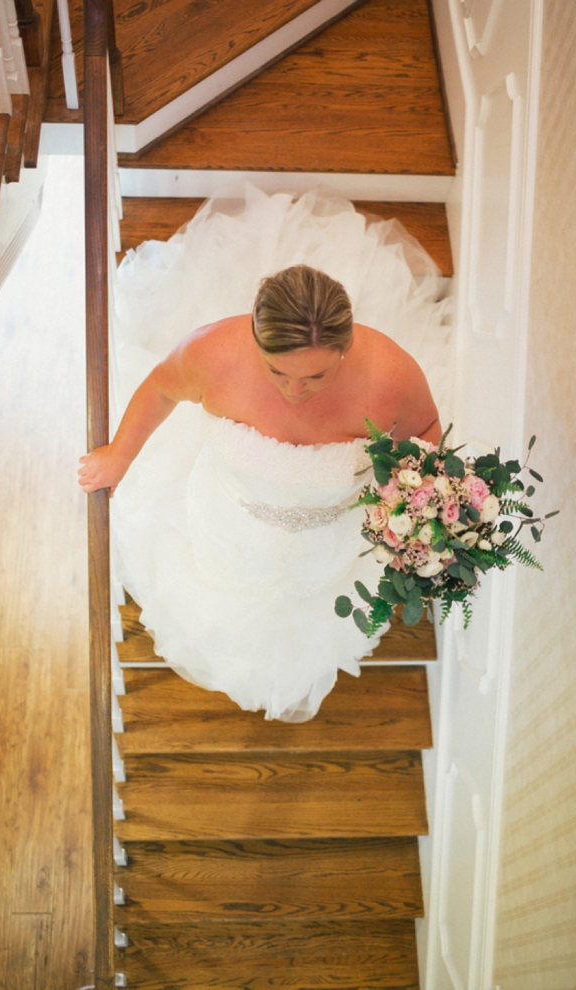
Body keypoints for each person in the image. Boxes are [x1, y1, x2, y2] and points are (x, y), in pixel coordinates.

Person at [78, 185, 452, 721]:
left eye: (317, 376)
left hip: (332, 536)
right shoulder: (210, 353)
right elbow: (161, 388)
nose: (295, 392)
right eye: (278, 372)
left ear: (345, 348)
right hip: (230, 518)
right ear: (255, 339)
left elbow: (429, 428)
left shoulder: (392, 375)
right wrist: (119, 454)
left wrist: (418, 506)